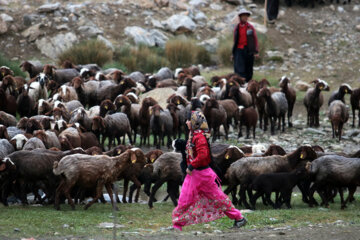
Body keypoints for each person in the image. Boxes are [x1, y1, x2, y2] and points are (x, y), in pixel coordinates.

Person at [172, 111, 247, 231]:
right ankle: (177, 224)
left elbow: (203, 155)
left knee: (218, 199)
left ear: (194, 122)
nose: (186, 122)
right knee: (184, 199)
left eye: (188, 120)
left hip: (202, 175)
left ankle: (239, 217)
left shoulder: (199, 137)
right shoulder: (193, 135)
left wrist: (191, 166)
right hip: (194, 174)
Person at [231, 9, 259, 82]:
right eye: (243, 16)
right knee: (239, 69)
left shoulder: (250, 27)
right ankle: (240, 83)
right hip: (239, 50)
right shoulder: (237, 28)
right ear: (240, 17)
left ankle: (248, 84)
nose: (245, 17)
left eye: (246, 16)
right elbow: (235, 40)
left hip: (249, 50)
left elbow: (255, 39)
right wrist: (233, 53)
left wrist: (256, 52)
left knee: (249, 69)